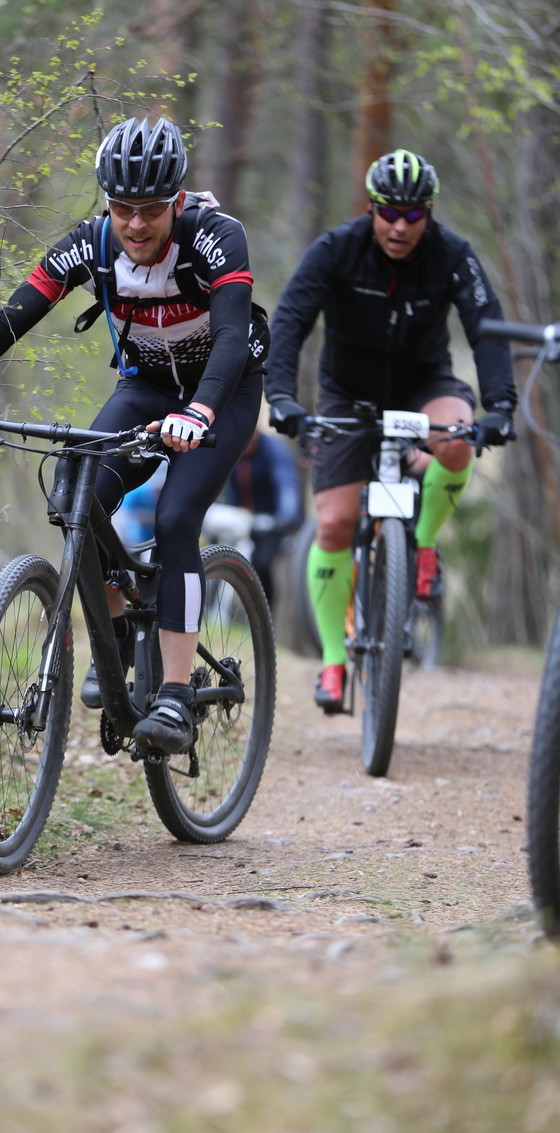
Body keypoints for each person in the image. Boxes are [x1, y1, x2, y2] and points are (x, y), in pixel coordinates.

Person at [0, 116, 265, 755]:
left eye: (152, 209)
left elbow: (233, 338)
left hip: (225, 388)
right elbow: (12, 316)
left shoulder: (218, 237)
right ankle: (126, 636)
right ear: (107, 203)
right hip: (147, 387)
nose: (136, 224)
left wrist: (203, 412)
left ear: (178, 201)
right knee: (77, 493)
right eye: (123, 208)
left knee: (178, 514)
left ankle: (178, 699)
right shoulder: (92, 244)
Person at [264, 147, 517, 713]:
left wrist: (501, 405)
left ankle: (422, 546)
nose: (400, 226)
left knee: (457, 437)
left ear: (428, 213)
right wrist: (281, 397)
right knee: (333, 523)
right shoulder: (336, 249)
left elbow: (487, 328)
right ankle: (334, 661)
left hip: (423, 384)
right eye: (389, 212)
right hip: (347, 393)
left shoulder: (452, 255)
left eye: (413, 214)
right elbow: (290, 321)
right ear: (372, 208)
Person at [223, 427, 302, 607]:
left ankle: (264, 611)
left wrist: (285, 517)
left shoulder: (273, 450)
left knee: (263, 565)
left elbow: (286, 484)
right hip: (243, 519)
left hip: (272, 521)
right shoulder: (235, 450)